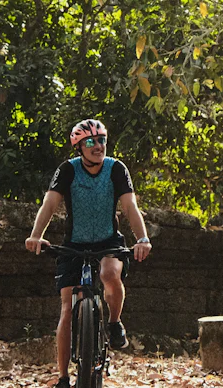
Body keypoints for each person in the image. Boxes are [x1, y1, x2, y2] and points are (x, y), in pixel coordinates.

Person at [26, 119, 153, 388]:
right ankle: (62, 376)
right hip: (74, 244)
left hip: (107, 241)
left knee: (110, 274)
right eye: (90, 142)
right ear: (78, 147)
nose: (98, 146)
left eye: (102, 140)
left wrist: (142, 238)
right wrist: (36, 235)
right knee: (66, 309)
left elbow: (130, 206)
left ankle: (115, 321)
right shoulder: (68, 171)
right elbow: (50, 203)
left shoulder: (116, 169)